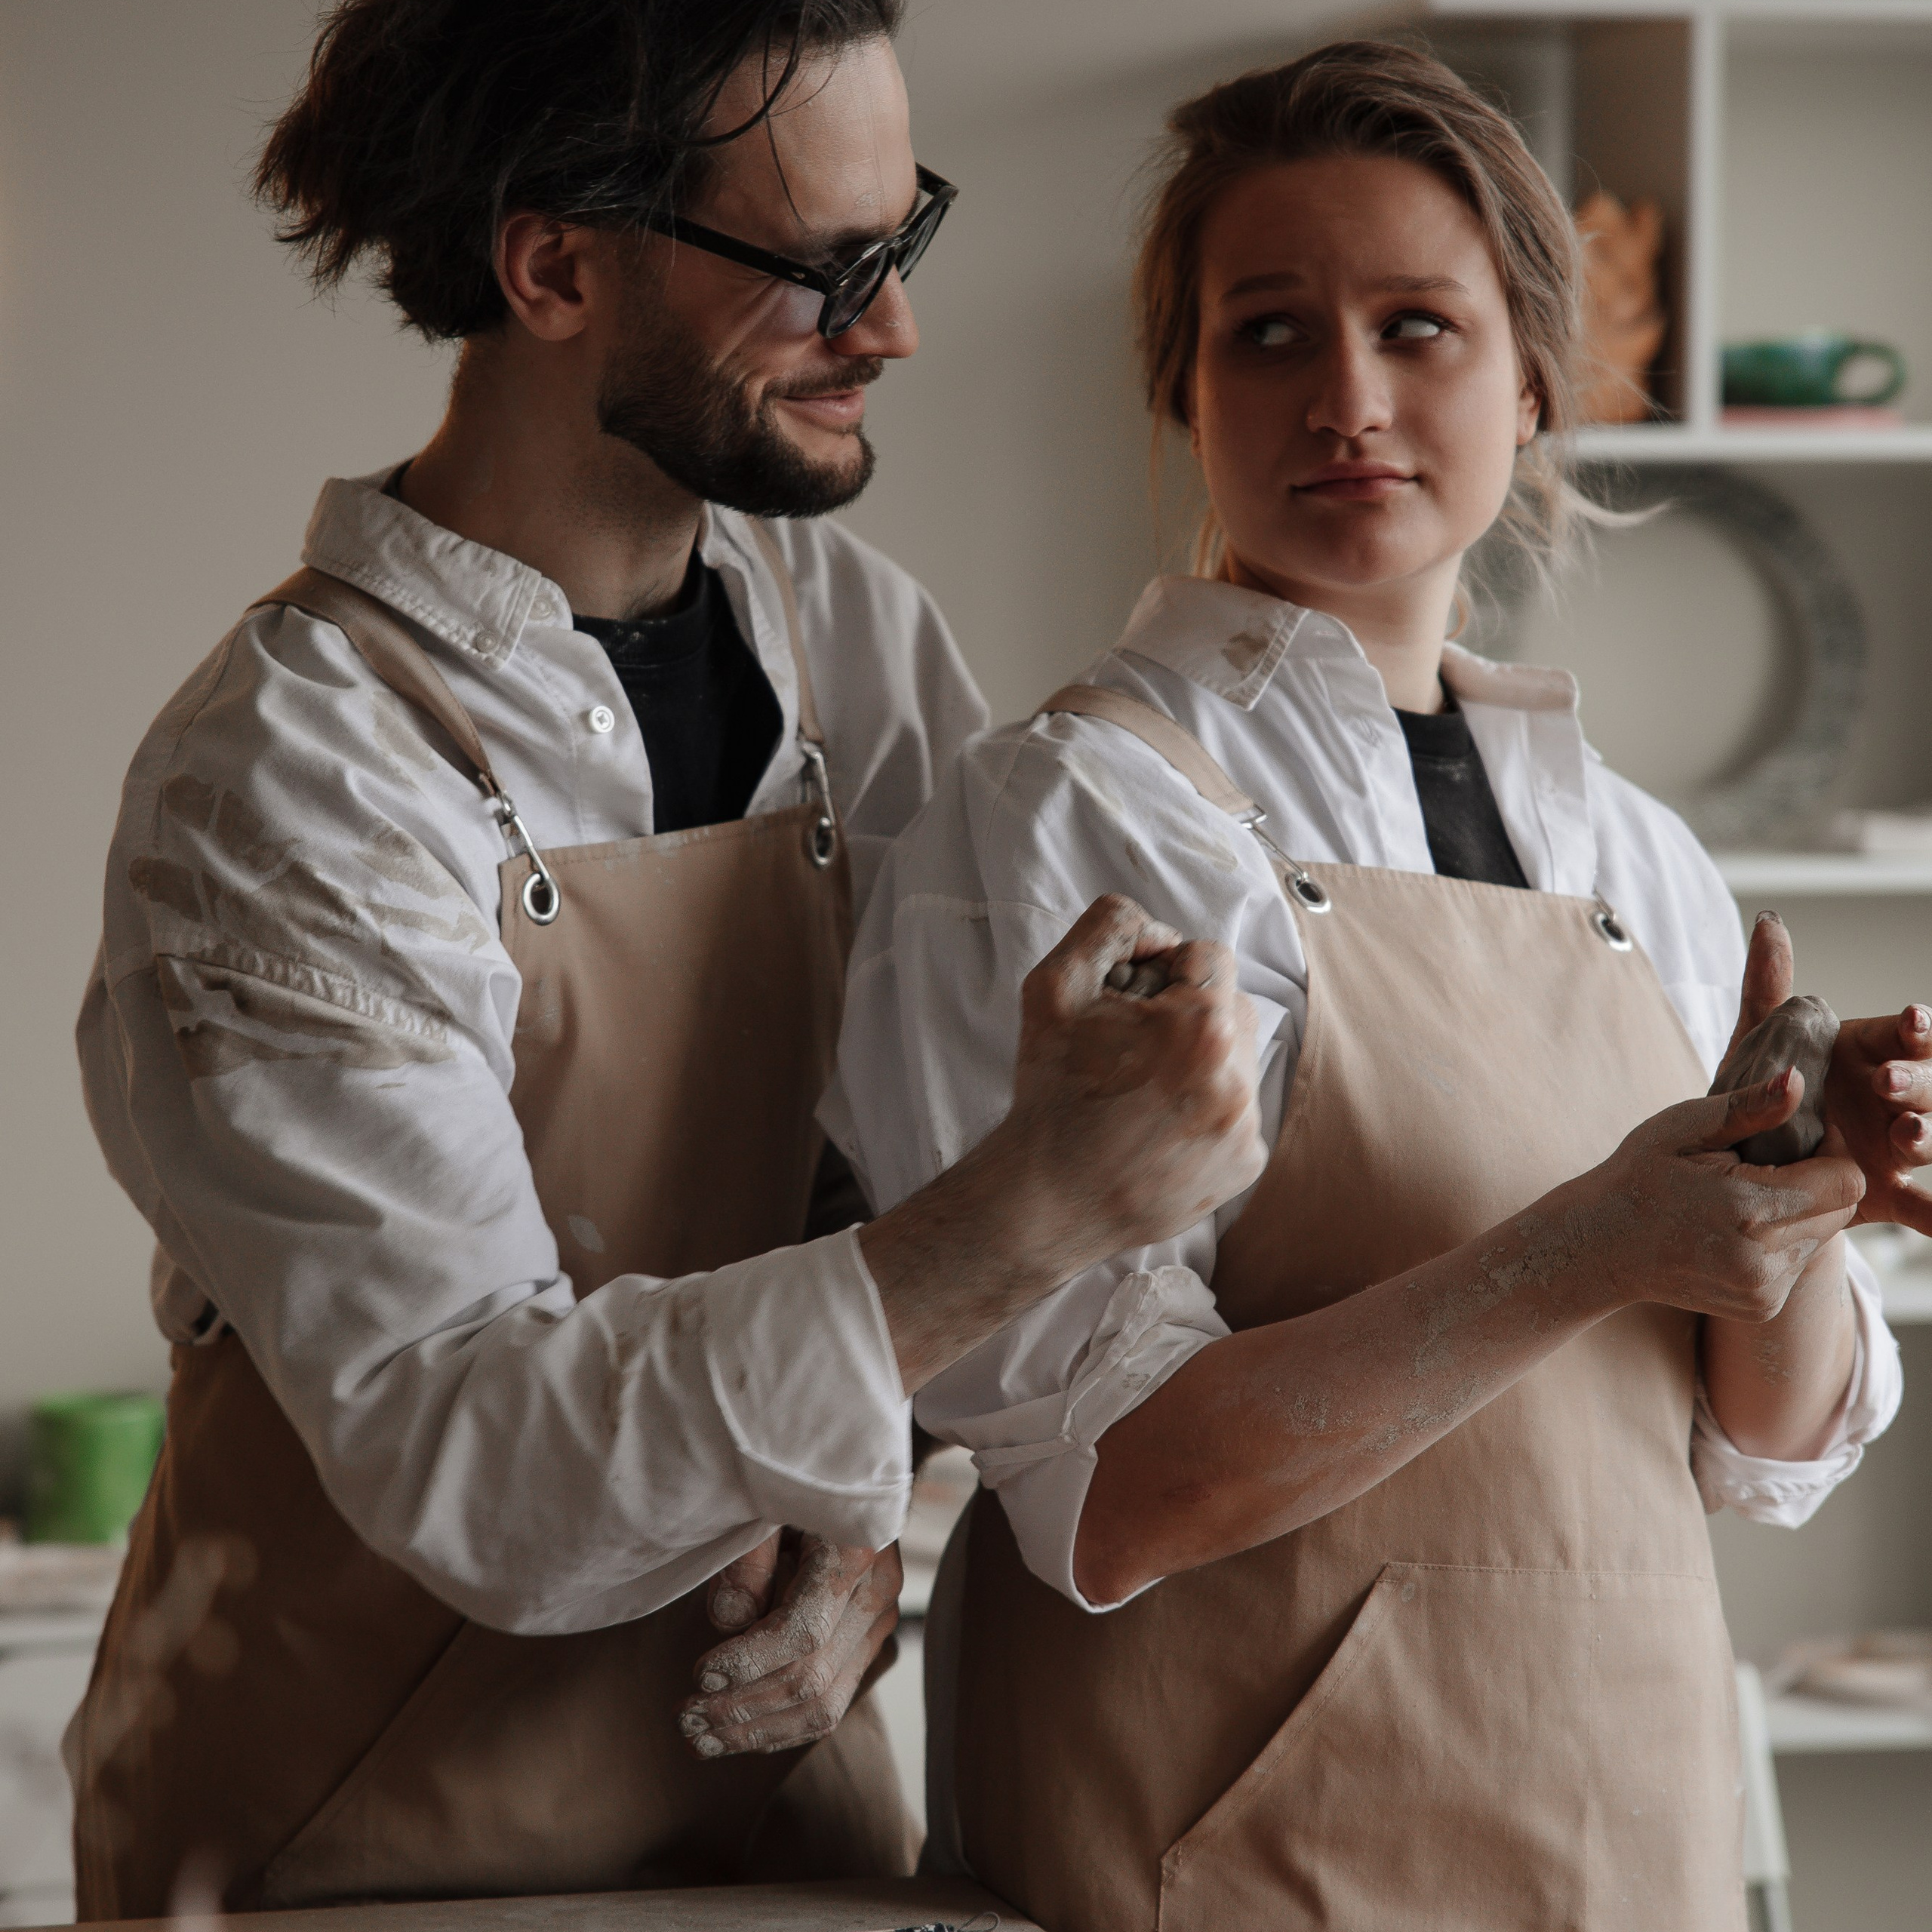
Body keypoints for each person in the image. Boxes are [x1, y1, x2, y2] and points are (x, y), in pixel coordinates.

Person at [68, 1, 1266, 1917]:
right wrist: (1024, 1214)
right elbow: (474, 1452)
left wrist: (865, 1510)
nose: (894, 328)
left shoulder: (852, 643)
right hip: (348, 1843)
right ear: (553, 267)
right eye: (823, 270)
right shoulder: (292, 777)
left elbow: (880, 1181)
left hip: (773, 1806)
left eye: (902, 236)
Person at [828, 42, 1929, 1932]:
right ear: (1182, 387)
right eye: (1266, 333)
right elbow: (1111, 1488)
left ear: (1535, 378)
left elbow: (1757, 1446)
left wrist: (1795, 1208)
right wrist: (1587, 1240)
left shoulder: (1633, 857)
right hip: (1223, 1858)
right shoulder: (1072, 815)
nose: (1344, 397)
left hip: (1621, 1835)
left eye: (1416, 326)